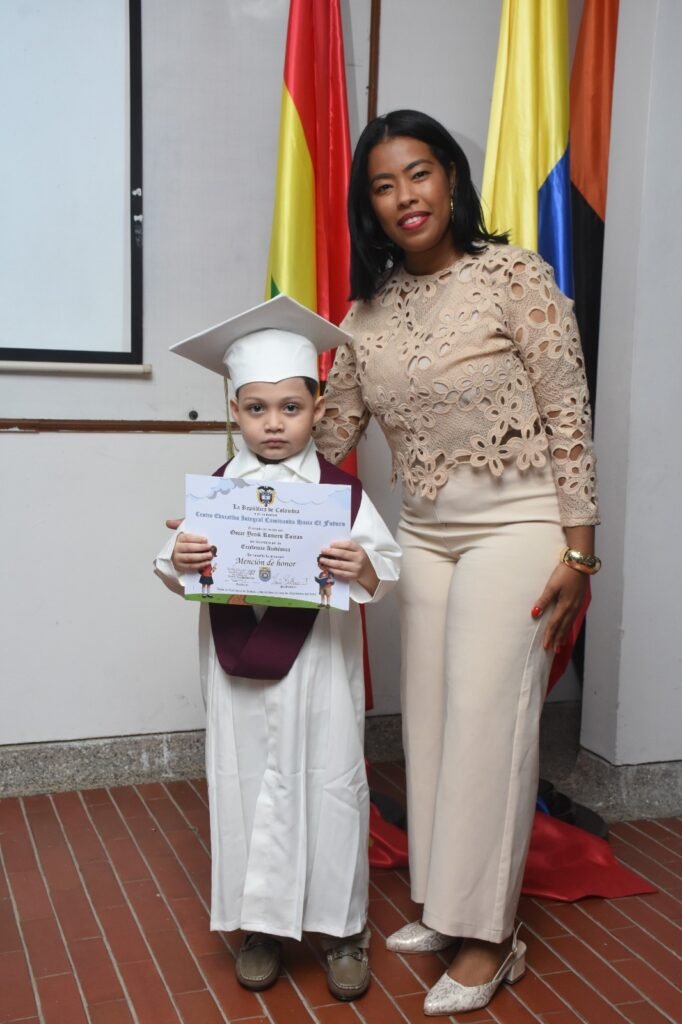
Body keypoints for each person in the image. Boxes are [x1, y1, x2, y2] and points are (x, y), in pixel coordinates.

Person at [314, 110, 600, 1016]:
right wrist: (242, 472)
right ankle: (445, 904)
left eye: (419, 173)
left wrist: (580, 548)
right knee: (432, 721)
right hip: (426, 532)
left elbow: (568, 411)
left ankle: (491, 937)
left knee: (487, 722)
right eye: (384, 184)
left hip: (518, 523)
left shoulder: (515, 275)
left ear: (451, 178)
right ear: (369, 204)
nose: (405, 196)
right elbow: (328, 434)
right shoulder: (366, 313)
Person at [154, 296, 401, 1001]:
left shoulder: (340, 494)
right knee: (245, 786)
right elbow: (173, 563)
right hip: (237, 675)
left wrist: (363, 566)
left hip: (317, 672)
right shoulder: (217, 493)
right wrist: (180, 557)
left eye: (290, 408)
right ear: (233, 410)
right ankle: (259, 927)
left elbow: (387, 567)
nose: (273, 423)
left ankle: (343, 929)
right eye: (256, 408)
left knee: (330, 786)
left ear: (318, 408)